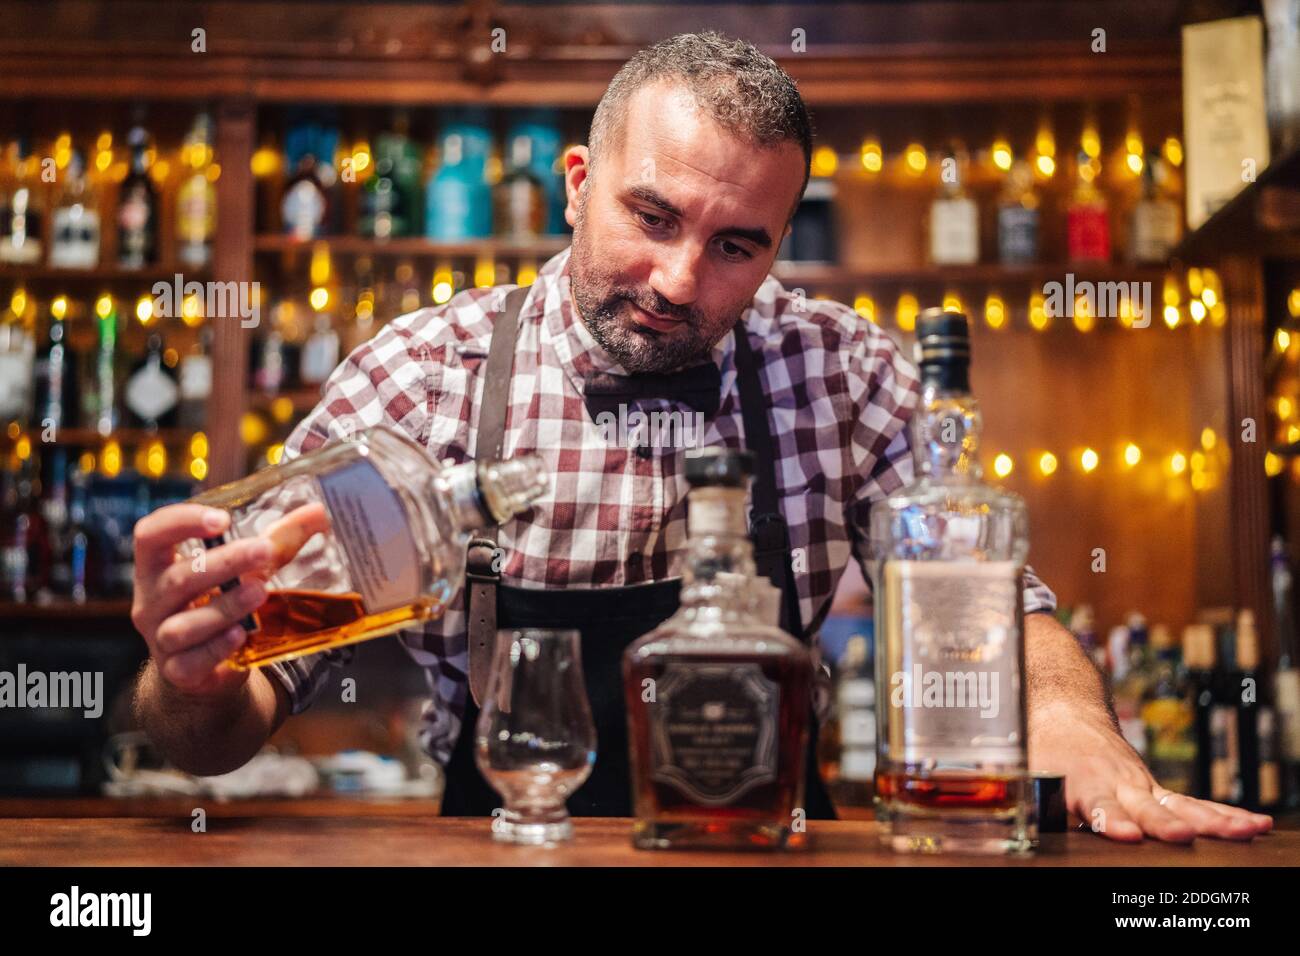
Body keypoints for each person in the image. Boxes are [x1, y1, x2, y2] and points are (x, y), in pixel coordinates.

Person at [131, 31, 1271, 842]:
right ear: (577, 182)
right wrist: (191, 671)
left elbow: (988, 602)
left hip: (774, 846)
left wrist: (1079, 733)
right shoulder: (422, 376)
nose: (680, 281)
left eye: (738, 245)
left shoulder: (838, 368)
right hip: (509, 845)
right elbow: (220, 725)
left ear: (780, 242)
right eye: (652, 216)